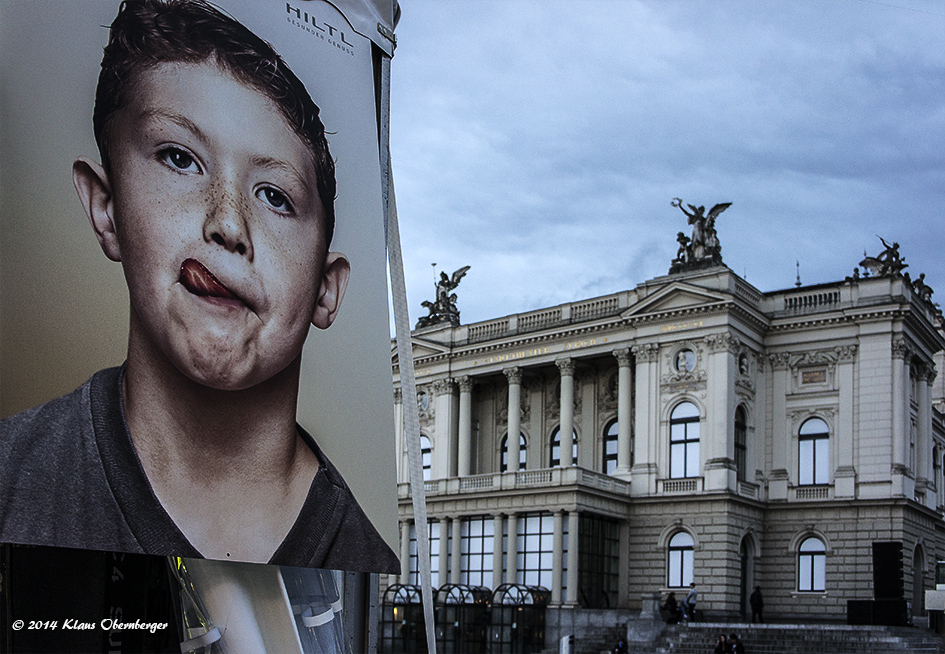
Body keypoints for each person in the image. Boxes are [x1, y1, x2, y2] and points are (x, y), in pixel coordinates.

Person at [0, 0, 397, 573]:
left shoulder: (367, 566)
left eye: (274, 196)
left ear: (325, 290)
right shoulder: (13, 472)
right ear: (106, 208)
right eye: (180, 159)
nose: (229, 224)